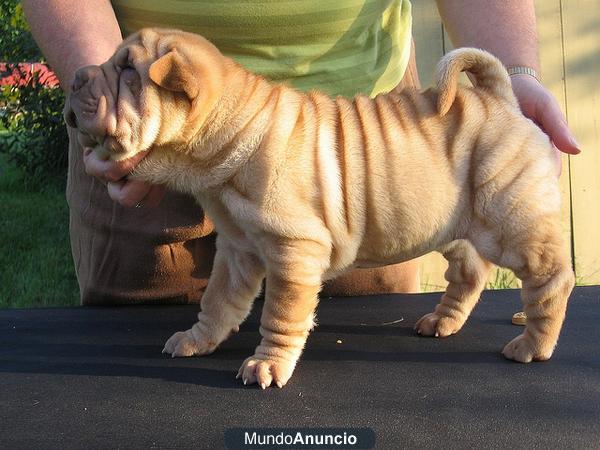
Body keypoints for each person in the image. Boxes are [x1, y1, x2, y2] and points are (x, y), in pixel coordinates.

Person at [22, 0, 580, 305]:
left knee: (365, 385)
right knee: (145, 392)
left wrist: (513, 72)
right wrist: (110, 93)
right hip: (155, 152)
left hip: (373, 147)